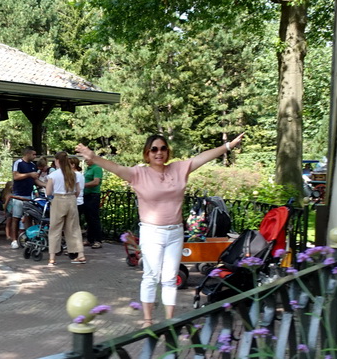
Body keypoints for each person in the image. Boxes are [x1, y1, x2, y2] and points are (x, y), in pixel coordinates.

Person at [76, 132, 245, 324]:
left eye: (163, 148)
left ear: (168, 151)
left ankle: (169, 321)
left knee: (170, 279)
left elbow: (203, 157)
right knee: (151, 276)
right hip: (151, 232)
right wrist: (93, 157)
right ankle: (148, 321)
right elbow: (115, 167)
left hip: (175, 232)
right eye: (154, 149)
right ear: (147, 153)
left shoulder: (179, 169)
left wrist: (228, 146)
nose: (159, 152)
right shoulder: (138, 174)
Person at [44, 151, 86, 267]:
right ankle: (80, 254)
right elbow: (78, 191)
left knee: (55, 229)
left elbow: (48, 192)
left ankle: (52, 257)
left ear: (57, 161)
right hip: (71, 200)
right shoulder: (73, 174)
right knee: (74, 228)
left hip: (58, 200)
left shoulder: (53, 175)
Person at [7, 147, 40, 248]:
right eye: (33, 154)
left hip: (29, 195)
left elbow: (35, 180)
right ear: (28, 154)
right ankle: (14, 240)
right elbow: (16, 176)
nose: (35, 157)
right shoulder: (18, 163)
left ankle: (29, 238)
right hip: (19, 195)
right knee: (16, 217)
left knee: (29, 217)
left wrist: (46, 185)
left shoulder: (33, 165)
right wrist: (29, 174)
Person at [81, 156, 104, 248]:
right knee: (88, 218)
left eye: (87, 159)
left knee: (94, 218)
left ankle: (98, 240)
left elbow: (96, 182)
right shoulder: (88, 168)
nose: (86, 160)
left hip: (93, 195)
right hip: (86, 195)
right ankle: (90, 239)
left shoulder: (97, 168)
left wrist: (83, 185)